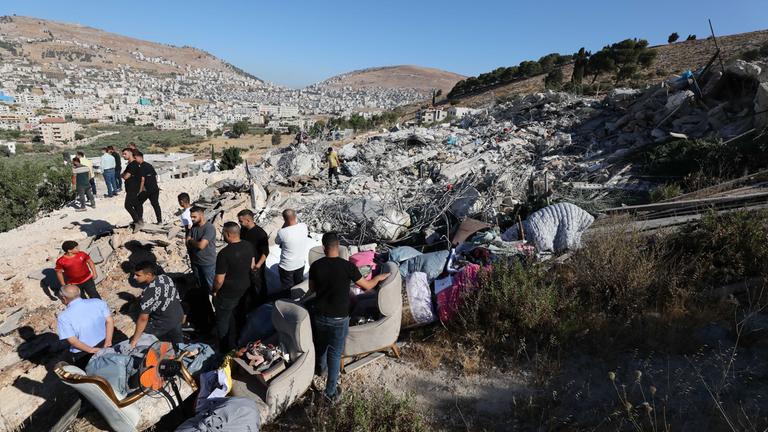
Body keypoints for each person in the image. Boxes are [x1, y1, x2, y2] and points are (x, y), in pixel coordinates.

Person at [307, 232, 389, 403]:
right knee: (335, 353)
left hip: (320, 315)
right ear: (339, 247)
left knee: (321, 345)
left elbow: (312, 290)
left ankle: (321, 371)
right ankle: (330, 392)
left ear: (323, 247)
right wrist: (379, 278)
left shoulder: (316, 265)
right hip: (339, 318)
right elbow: (366, 286)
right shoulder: (347, 266)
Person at [212, 222, 256, 351]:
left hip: (227, 293)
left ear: (229, 234)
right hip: (245, 289)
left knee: (223, 321)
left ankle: (225, 349)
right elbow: (252, 266)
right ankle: (241, 342)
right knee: (240, 316)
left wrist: (214, 291)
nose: (222, 235)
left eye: (223, 233)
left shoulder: (224, 254)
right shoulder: (248, 245)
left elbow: (219, 280)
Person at [57, 284, 114, 369]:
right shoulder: (97, 302)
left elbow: (73, 341)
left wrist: (91, 350)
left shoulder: (63, 317)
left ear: (64, 298)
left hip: (85, 352)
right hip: (105, 342)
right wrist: (108, 341)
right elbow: (109, 321)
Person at [130, 261, 184, 346]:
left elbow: (143, 319)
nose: (134, 277)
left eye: (138, 275)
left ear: (148, 275)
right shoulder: (165, 278)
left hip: (163, 322)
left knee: (143, 338)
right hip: (178, 315)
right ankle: (182, 351)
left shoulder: (148, 293)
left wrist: (134, 340)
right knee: (178, 341)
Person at [237, 209, 269, 308]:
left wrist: (258, 265)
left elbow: (265, 252)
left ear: (248, 220)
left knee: (259, 285)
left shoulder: (260, 233)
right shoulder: (243, 230)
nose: (240, 223)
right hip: (246, 263)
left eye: (241, 221)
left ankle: (262, 305)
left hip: (256, 266)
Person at [274, 209, 309, 295]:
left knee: (287, 290)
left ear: (284, 219)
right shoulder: (304, 226)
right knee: (298, 287)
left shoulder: (282, 232)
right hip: (300, 264)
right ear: (295, 216)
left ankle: (287, 304)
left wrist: (284, 224)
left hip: (286, 266)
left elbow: (276, 241)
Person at [186, 207, 217, 294]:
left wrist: (191, 241)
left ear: (201, 215)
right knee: (200, 286)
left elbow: (201, 245)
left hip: (207, 263)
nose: (192, 219)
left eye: (194, 217)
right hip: (196, 262)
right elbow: (187, 241)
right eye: (191, 217)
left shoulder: (209, 228)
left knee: (211, 286)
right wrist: (190, 241)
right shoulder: (194, 227)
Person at [135, 152, 162, 224]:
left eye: (135, 158)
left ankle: (140, 220)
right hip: (155, 189)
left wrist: (140, 190)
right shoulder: (149, 165)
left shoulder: (141, 167)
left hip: (147, 190)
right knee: (156, 204)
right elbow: (155, 176)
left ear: (140, 157)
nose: (135, 160)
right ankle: (159, 221)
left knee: (138, 203)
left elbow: (142, 180)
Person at [121, 147, 144, 231]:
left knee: (127, 205)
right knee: (136, 204)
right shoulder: (131, 164)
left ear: (130, 153)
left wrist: (123, 175)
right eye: (123, 154)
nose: (123, 156)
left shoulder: (133, 164)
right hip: (132, 187)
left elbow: (126, 176)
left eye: (125, 154)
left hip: (132, 187)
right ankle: (140, 220)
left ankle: (137, 221)